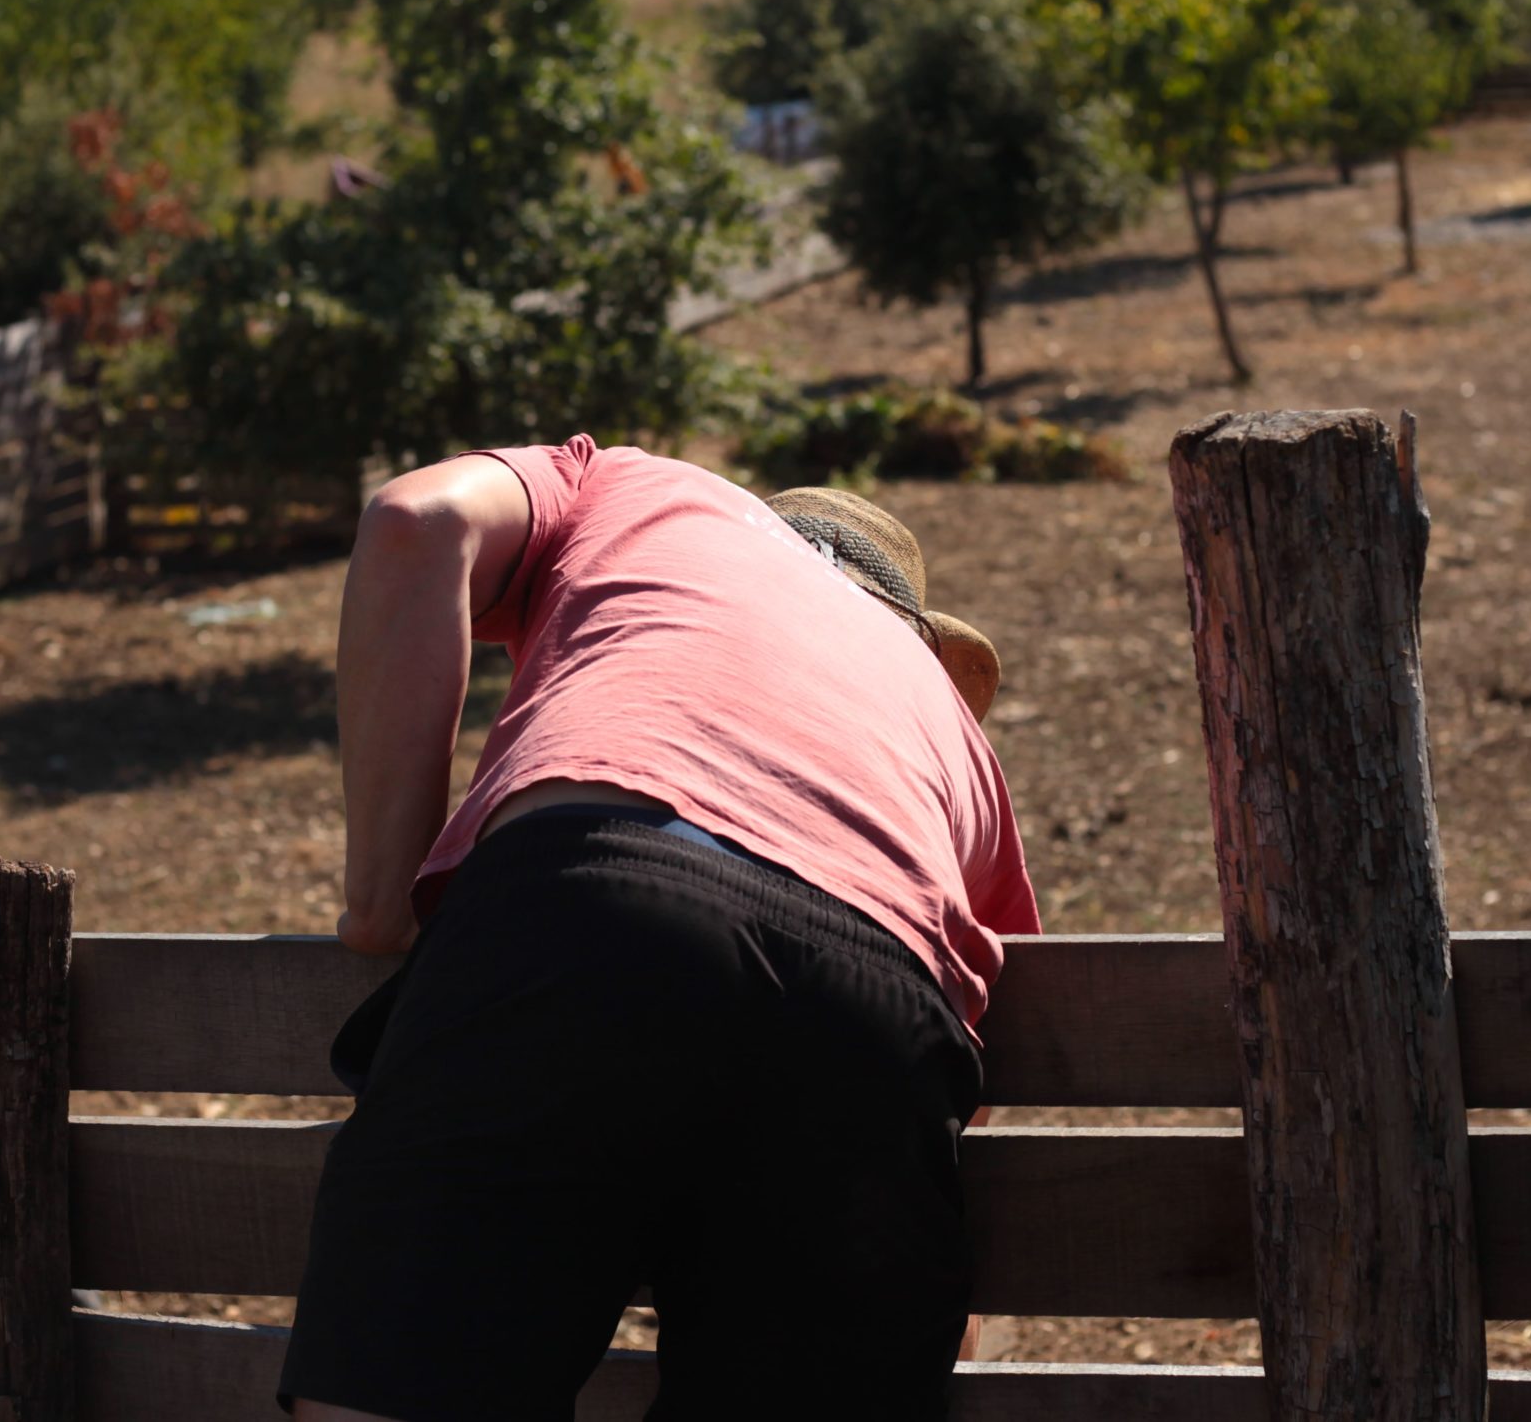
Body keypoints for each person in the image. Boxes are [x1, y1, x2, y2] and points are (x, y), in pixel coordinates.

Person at [282, 434, 1038, 1422]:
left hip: (589, 905)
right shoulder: (959, 749)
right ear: (911, 630)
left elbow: (415, 522)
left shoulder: (636, 491)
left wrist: (382, 903)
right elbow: (949, 1113)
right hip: (871, 1003)